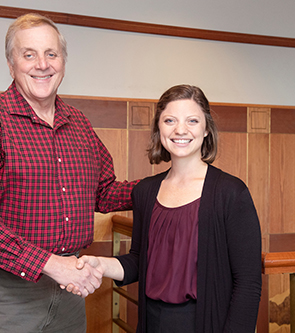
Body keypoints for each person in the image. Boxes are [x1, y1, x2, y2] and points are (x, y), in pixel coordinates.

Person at [0, 13, 138, 333]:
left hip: (65, 289)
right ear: (10, 63)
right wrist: (55, 266)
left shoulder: (78, 123)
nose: (41, 64)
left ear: (63, 61)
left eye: (51, 54)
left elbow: (103, 191)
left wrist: (167, 185)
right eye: (29, 54)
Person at [73, 84, 262, 332]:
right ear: (159, 129)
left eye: (192, 121)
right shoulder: (146, 192)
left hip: (204, 323)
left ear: (206, 130)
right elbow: (140, 261)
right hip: (152, 322)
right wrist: (101, 264)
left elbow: (248, 283)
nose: (180, 130)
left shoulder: (231, 193)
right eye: (170, 120)